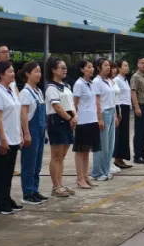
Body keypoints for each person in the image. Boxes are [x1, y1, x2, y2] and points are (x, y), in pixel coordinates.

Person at [0, 61, 22, 214]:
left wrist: (21, 134)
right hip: (3, 140)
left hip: (14, 137)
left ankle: (6, 197)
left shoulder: (11, 90)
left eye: (13, 71)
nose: (13, 73)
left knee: (9, 172)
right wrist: (3, 139)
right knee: (1, 173)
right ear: (1, 74)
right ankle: (0, 201)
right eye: (9, 71)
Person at [44, 57, 76, 198]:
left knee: (62, 156)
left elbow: (71, 103)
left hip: (69, 119)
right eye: (61, 68)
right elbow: (56, 107)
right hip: (57, 121)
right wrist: (69, 118)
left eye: (65, 67)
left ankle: (60, 184)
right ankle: (55, 186)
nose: (65, 70)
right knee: (56, 156)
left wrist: (74, 116)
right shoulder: (51, 88)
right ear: (53, 70)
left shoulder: (66, 86)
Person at [18, 61, 47, 205]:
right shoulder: (25, 92)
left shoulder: (39, 91)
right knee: (28, 162)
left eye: (40, 71)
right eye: (36, 71)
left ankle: (35, 189)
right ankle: (27, 192)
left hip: (40, 130)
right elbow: (23, 114)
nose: (39, 74)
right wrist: (26, 133)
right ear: (27, 74)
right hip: (31, 130)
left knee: (37, 162)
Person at [71, 59, 101, 190]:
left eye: (92, 67)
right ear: (82, 69)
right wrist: (74, 118)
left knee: (87, 150)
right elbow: (75, 102)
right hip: (83, 121)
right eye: (89, 67)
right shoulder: (79, 84)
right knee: (80, 150)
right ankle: (79, 178)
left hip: (92, 119)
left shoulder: (92, 83)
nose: (92, 69)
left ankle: (85, 176)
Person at [90, 58, 116, 182]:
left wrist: (115, 115)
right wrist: (99, 118)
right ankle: (97, 172)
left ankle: (105, 170)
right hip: (103, 113)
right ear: (99, 68)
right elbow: (97, 101)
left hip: (111, 112)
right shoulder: (96, 81)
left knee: (110, 145)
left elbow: (113, 99)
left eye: (109, 65)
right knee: (102, 145)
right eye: (105, 65)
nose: (108, 67)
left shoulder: (109, 81)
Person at [111, 60, 132, 170]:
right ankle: (117, 158)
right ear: (119, 68)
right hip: (120, 107)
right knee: (120, 134)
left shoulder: (125, 80)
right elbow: (116, 96)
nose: (127, 67)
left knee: (125, 134)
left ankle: (121, 157)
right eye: (125, 65)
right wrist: (118, 111)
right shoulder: (116, 80)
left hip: (126, 107)